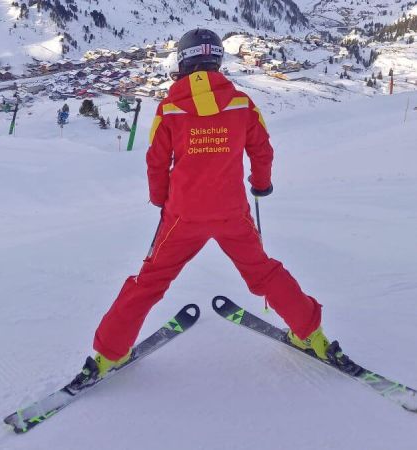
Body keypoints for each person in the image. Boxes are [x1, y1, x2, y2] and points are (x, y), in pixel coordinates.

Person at [90, 28, 332, 377]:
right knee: (262, 271)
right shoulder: (241, 103)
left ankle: (109, 353)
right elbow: (261, 149)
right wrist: (260, 185)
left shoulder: (170, 107)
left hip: (182, 216)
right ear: (217, 59)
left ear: (183, 62)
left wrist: (162, 200)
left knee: (151, 280)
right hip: (232, 213)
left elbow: (156, 162)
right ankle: (311, 334)